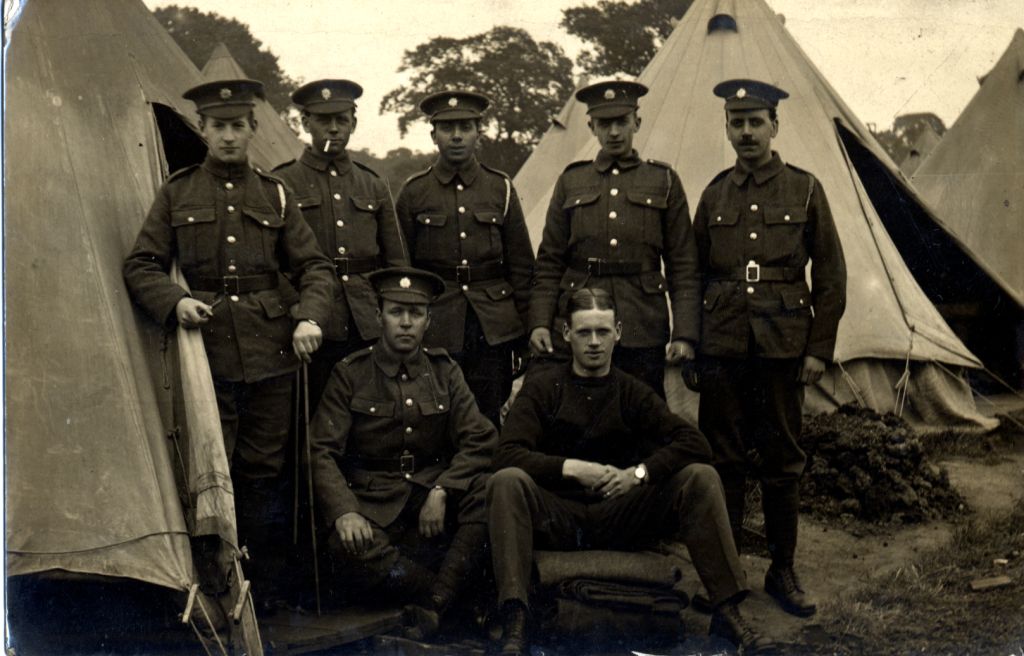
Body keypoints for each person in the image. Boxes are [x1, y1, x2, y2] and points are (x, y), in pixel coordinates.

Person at [123, 78, 335, 606]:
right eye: (218, 126)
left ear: (253, 130)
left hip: (271, 354)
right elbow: (141, 263)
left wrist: (309, 318)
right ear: (203, 129)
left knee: (264, 471)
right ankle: (214, 583)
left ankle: (259, 589)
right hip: (206, 354)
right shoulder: (178, 191)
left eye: (238, 126)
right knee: (211, 469)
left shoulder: (276, 193)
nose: (229, 136)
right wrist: (174, 301)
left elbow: (315, 267)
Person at [488, 288, 776, 655]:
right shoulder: (544, 387)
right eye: (584, 332)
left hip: (620, 514)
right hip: (560, 518)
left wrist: (637, 475)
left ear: (619, 332)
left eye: (603, 332)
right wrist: (572, 469)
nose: (594, 343)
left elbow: (694, 443)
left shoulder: (631, 391)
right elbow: (506, 454)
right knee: (507, 481)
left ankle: (729, 612)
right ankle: (516, 619)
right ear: (565, 334)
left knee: (700, 477)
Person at [690, 79, 847, 618]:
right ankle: (727, 578)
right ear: (727, 129)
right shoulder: (713, 193)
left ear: (775, 127)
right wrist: (691, 344)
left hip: (783, 344)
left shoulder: (804, 189)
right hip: (724, 345)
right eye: (738, 123)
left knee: (782, 460)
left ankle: (782, 570)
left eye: (757, 122)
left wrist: (817, 349)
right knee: (724, 458)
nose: (747, 132)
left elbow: (830, 274)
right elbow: (693, 274)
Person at [310, 267, 497, 640]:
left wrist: (443, 489)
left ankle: (436, 602)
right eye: (397, 312)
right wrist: (345, 511)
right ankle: (447, 599)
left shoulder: (445, 372)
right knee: (345, 546)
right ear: (378, 316)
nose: (406, 323)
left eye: (416, 314)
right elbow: (321, 451)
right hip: (373, 504)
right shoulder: (350, 373)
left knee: (490, 490)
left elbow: (481, 439)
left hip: (429, 498)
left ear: (429, 320)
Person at [528, 80, 699, 398]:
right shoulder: (572, 180)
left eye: (622, 122)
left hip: (641, 319)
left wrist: (685, 333)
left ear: (637, 122)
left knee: (642, 409)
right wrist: (539, 322)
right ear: (591, 126)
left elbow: (683, 264)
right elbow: (549, 260)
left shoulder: (663, 180)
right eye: (605, 124)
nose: (615, 132)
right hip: (581, 316)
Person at [395, 90, 534, 428]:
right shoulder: (414, 191)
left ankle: (485, 481)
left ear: (478, 132)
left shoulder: (500, 188)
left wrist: (527, 332)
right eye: (447, 128)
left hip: (493, 328)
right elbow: (402, 269)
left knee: (488, 414)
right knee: (436, 414)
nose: (456, 135)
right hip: (438, 324)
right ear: (433, 135)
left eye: (465, 127)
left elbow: (522, 267)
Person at [273, 79, 408, 414]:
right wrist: (296, 306)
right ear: (305, 123)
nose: (333, 129)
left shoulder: (372, 183)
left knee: (369, 413)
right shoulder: (282, 183)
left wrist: (392, 312)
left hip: (366, 320)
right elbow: (268, 260)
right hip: (312, 320)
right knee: (316, 413)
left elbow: (396, 260)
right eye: (323, 120)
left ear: (354, 123)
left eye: (342, 120)